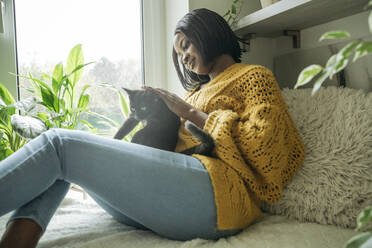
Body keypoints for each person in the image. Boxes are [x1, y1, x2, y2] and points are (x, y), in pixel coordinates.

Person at [0, 8, 305, 248]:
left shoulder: (255, 76)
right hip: (175, 199)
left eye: (186, 45)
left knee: (59, 145)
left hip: (219, 196)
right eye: (178, 53)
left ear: (208, 33)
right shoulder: (194, 92)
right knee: (62, 166)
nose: (183, 58)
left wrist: (187, 111)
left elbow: (266, 150)